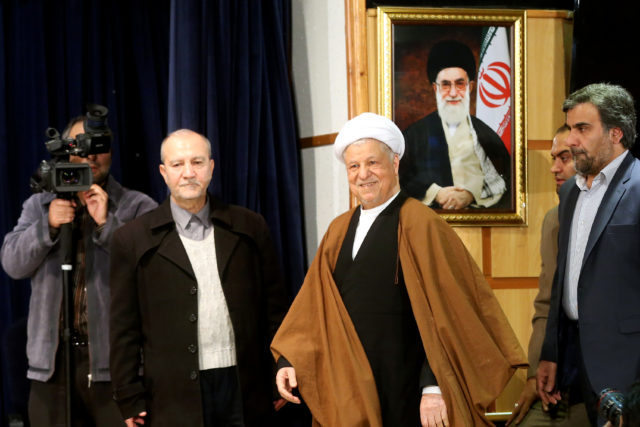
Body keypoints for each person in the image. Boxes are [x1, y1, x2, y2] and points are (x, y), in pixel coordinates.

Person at [272, 112, 526, 426]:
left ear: (394, 163)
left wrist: (433, 387)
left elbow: (451, 314)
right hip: (348, 386)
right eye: (354, 166)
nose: (363, 174)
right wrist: (290, 359)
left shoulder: (422, 223)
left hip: (410, 388)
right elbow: (313, 308)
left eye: (372, 163)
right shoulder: (337, 231)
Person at [109, 129, 288, 426]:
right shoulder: (131, 239)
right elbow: (123, 327)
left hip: (245, 385)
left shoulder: (249, 226)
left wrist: (278, 369)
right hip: (171, 394)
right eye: (178, 165)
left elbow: (275, 309)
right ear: (163, 173)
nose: (188, 173)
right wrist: (128, 396)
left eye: (197, 162)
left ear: (212, 167)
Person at [0, 115, 158, 426]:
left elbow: (152, 271)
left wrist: (107, 225)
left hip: (115, 368)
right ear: (65, 150)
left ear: (110, 152)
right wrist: (47, 226)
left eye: (98, 146)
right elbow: (12, 264)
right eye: (79, 145)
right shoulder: (39, 205)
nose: (88, 155)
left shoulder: (136, 206)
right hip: (50, 367)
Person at [537, 83, 640, 426]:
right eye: (570, 128)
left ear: (616, 133)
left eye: (582, 128)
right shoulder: (570, 192)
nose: (571, 140)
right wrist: (551, 354)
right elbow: (561, 281)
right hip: (574, 361)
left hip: (627, 366)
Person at [506, 126, 589, 426]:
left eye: (564, 158)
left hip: (596, 380)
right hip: (553, 379)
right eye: (554, 157)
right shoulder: (553, 219)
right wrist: (532, 375)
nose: (554, 168)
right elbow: (545, 305)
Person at [400, 39, 511, 210]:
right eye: (445, 85)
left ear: (470, 87)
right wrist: (436, 193)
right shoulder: (414, 136)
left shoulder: (484, 134)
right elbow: (403, 178)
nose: (453, 93)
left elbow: (503, 180)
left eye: (460, 84)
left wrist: (471, 195)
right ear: (435, 89)